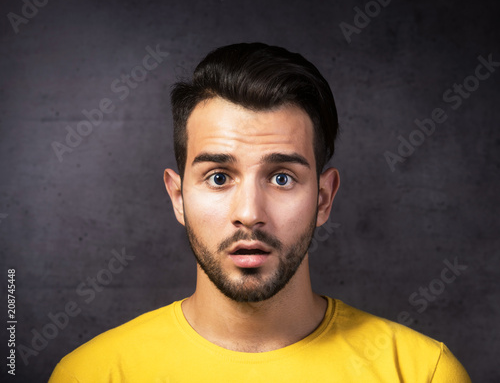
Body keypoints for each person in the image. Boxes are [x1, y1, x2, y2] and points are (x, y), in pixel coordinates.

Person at [49, 42, 471, 382]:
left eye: (282, 177)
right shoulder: (92, 374)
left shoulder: (421, 372)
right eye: (218, 177)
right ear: (177, 197)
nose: (249, 213)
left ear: (323, 199)